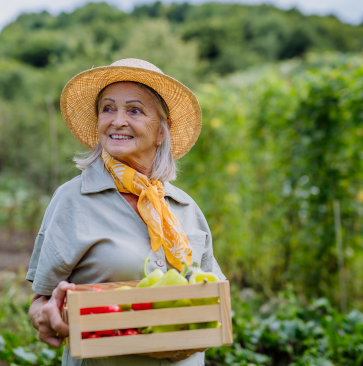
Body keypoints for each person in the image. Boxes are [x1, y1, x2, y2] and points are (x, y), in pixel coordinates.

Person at [26, 58, 225, 366]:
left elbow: (214, 298)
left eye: (134, 110)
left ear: (162, 131)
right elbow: (40, 303)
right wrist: (46, 316)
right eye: (108, 109)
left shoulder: (184, 208)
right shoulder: (72, 200)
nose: (117, 121)